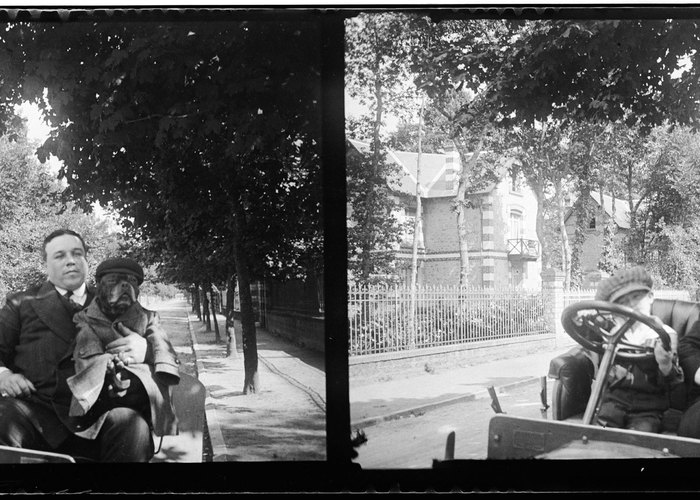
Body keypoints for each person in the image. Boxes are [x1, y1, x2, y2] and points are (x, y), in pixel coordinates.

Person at [0, 229, 155, 462]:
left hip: (100, 416)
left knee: (133, 426)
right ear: (45, 264)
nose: (70, 261)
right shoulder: (21, 303)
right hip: (37, 415)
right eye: (59, 255)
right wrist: (4, 375)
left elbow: (158, 341)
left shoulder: (114, 297)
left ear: (86, 260)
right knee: (4, 415)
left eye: (77, 253)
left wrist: (146, 349)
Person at [594, 266, 683, 433]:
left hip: (648, 406)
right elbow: (586, 330)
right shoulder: (611, 332)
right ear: (614, 308)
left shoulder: (665, 334)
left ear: (650, 297)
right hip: (614, 401)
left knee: (640, 436)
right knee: (601, 431)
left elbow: (673, 381)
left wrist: (665, 364)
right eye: (622, 302)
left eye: (636, 297)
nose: (630, 306)